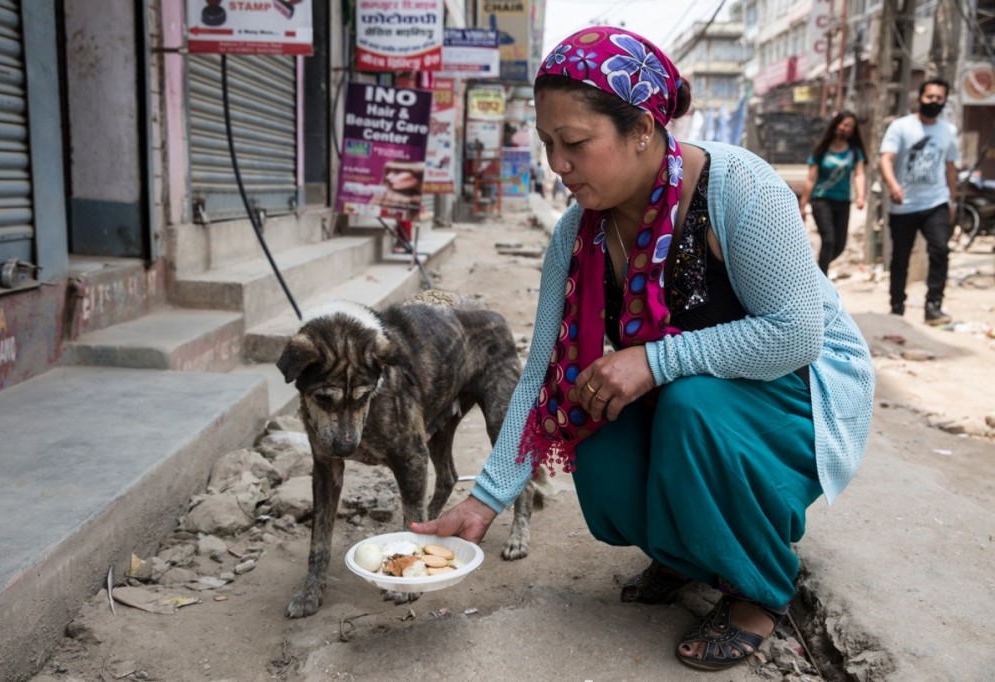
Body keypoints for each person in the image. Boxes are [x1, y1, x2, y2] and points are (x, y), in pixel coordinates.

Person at [410, 26, 875, 672]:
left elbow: (796, 335)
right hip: (701, 395)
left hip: (800, 390)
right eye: (548, 144)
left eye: (574, 143)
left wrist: (654, 360)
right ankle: (692, 552)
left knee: (690, 405)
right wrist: (483, 499)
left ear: (642, 131)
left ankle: (760, 592)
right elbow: (539, 378)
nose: (557, 165)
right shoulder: (579, 232)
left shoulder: (742, 191)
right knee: (590, 418)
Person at [878, 78, 959, 325]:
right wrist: (893, 185)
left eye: (939, 98)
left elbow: (950, 167)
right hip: (904, 204)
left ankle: (933, 306)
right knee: (900, 256)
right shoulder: (901, 127)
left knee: (941, 250)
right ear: (920, 98)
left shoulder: (949, 131)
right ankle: (897, 306)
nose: (934, 102)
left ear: (944, 100)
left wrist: (952, 200)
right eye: (930, 97)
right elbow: (886, 159)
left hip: (936, 202)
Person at [799, 111, 867, 275]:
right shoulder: (821, 150)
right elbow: (811, 178)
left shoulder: (854, 152)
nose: (845, 129)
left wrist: (860, 196)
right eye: (844, 124)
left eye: (850, 126)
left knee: (840, 245)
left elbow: (859, 174)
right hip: (821, 199)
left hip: (842, 201)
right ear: (836, 125)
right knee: (828, 239)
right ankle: (821, 280)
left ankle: (814, 271)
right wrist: (803, 204)